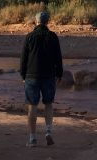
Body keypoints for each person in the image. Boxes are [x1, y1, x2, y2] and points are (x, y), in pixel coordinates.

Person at [19, 10, 64, 148]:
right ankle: (48, 131)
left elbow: (23, 59)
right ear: (47, 22)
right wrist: (59, 74)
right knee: (48, 104)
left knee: (32, 106)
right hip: (49, 75)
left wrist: (23, 75)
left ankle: (32, 138)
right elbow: (58, 57)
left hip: (31, 75)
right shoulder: (53, 37)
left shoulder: (29, 37)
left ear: (36, 22)